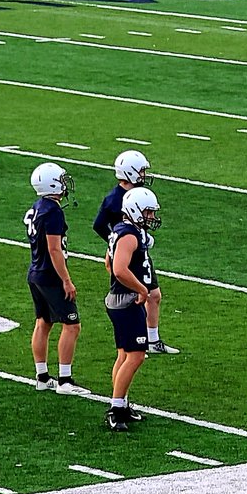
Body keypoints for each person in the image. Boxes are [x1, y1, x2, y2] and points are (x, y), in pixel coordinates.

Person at [94, 150, 178, 355]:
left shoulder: (136, 194)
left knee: (154, 295)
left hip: (135, 249)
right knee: (136, 295)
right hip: (127, 253)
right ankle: (137, 341)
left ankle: (151, 339)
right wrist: (116, 244)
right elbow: (99, 225)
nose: (143, 175)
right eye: (140, 171)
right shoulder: (115, 199)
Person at [24, 162, 89, 396]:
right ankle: (65, 380)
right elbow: (54, 250)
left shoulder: (38, 207)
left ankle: (42, 377)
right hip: (50, 276)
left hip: (36, 272)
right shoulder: (52, 212)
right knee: (72, 325)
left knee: (43, 322)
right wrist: (66, 280)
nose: (64, 184)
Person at [104, 187, 161, 431]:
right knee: (136, 355)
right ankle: (116, 409)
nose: (150, 216)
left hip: (120, 297)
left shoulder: (122, 231)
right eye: (147, 211)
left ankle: (121, 403)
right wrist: (140, 289)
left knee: (125, 355)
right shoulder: (128, 235)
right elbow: (118, 268)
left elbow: (108, 263)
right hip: (127, 301)